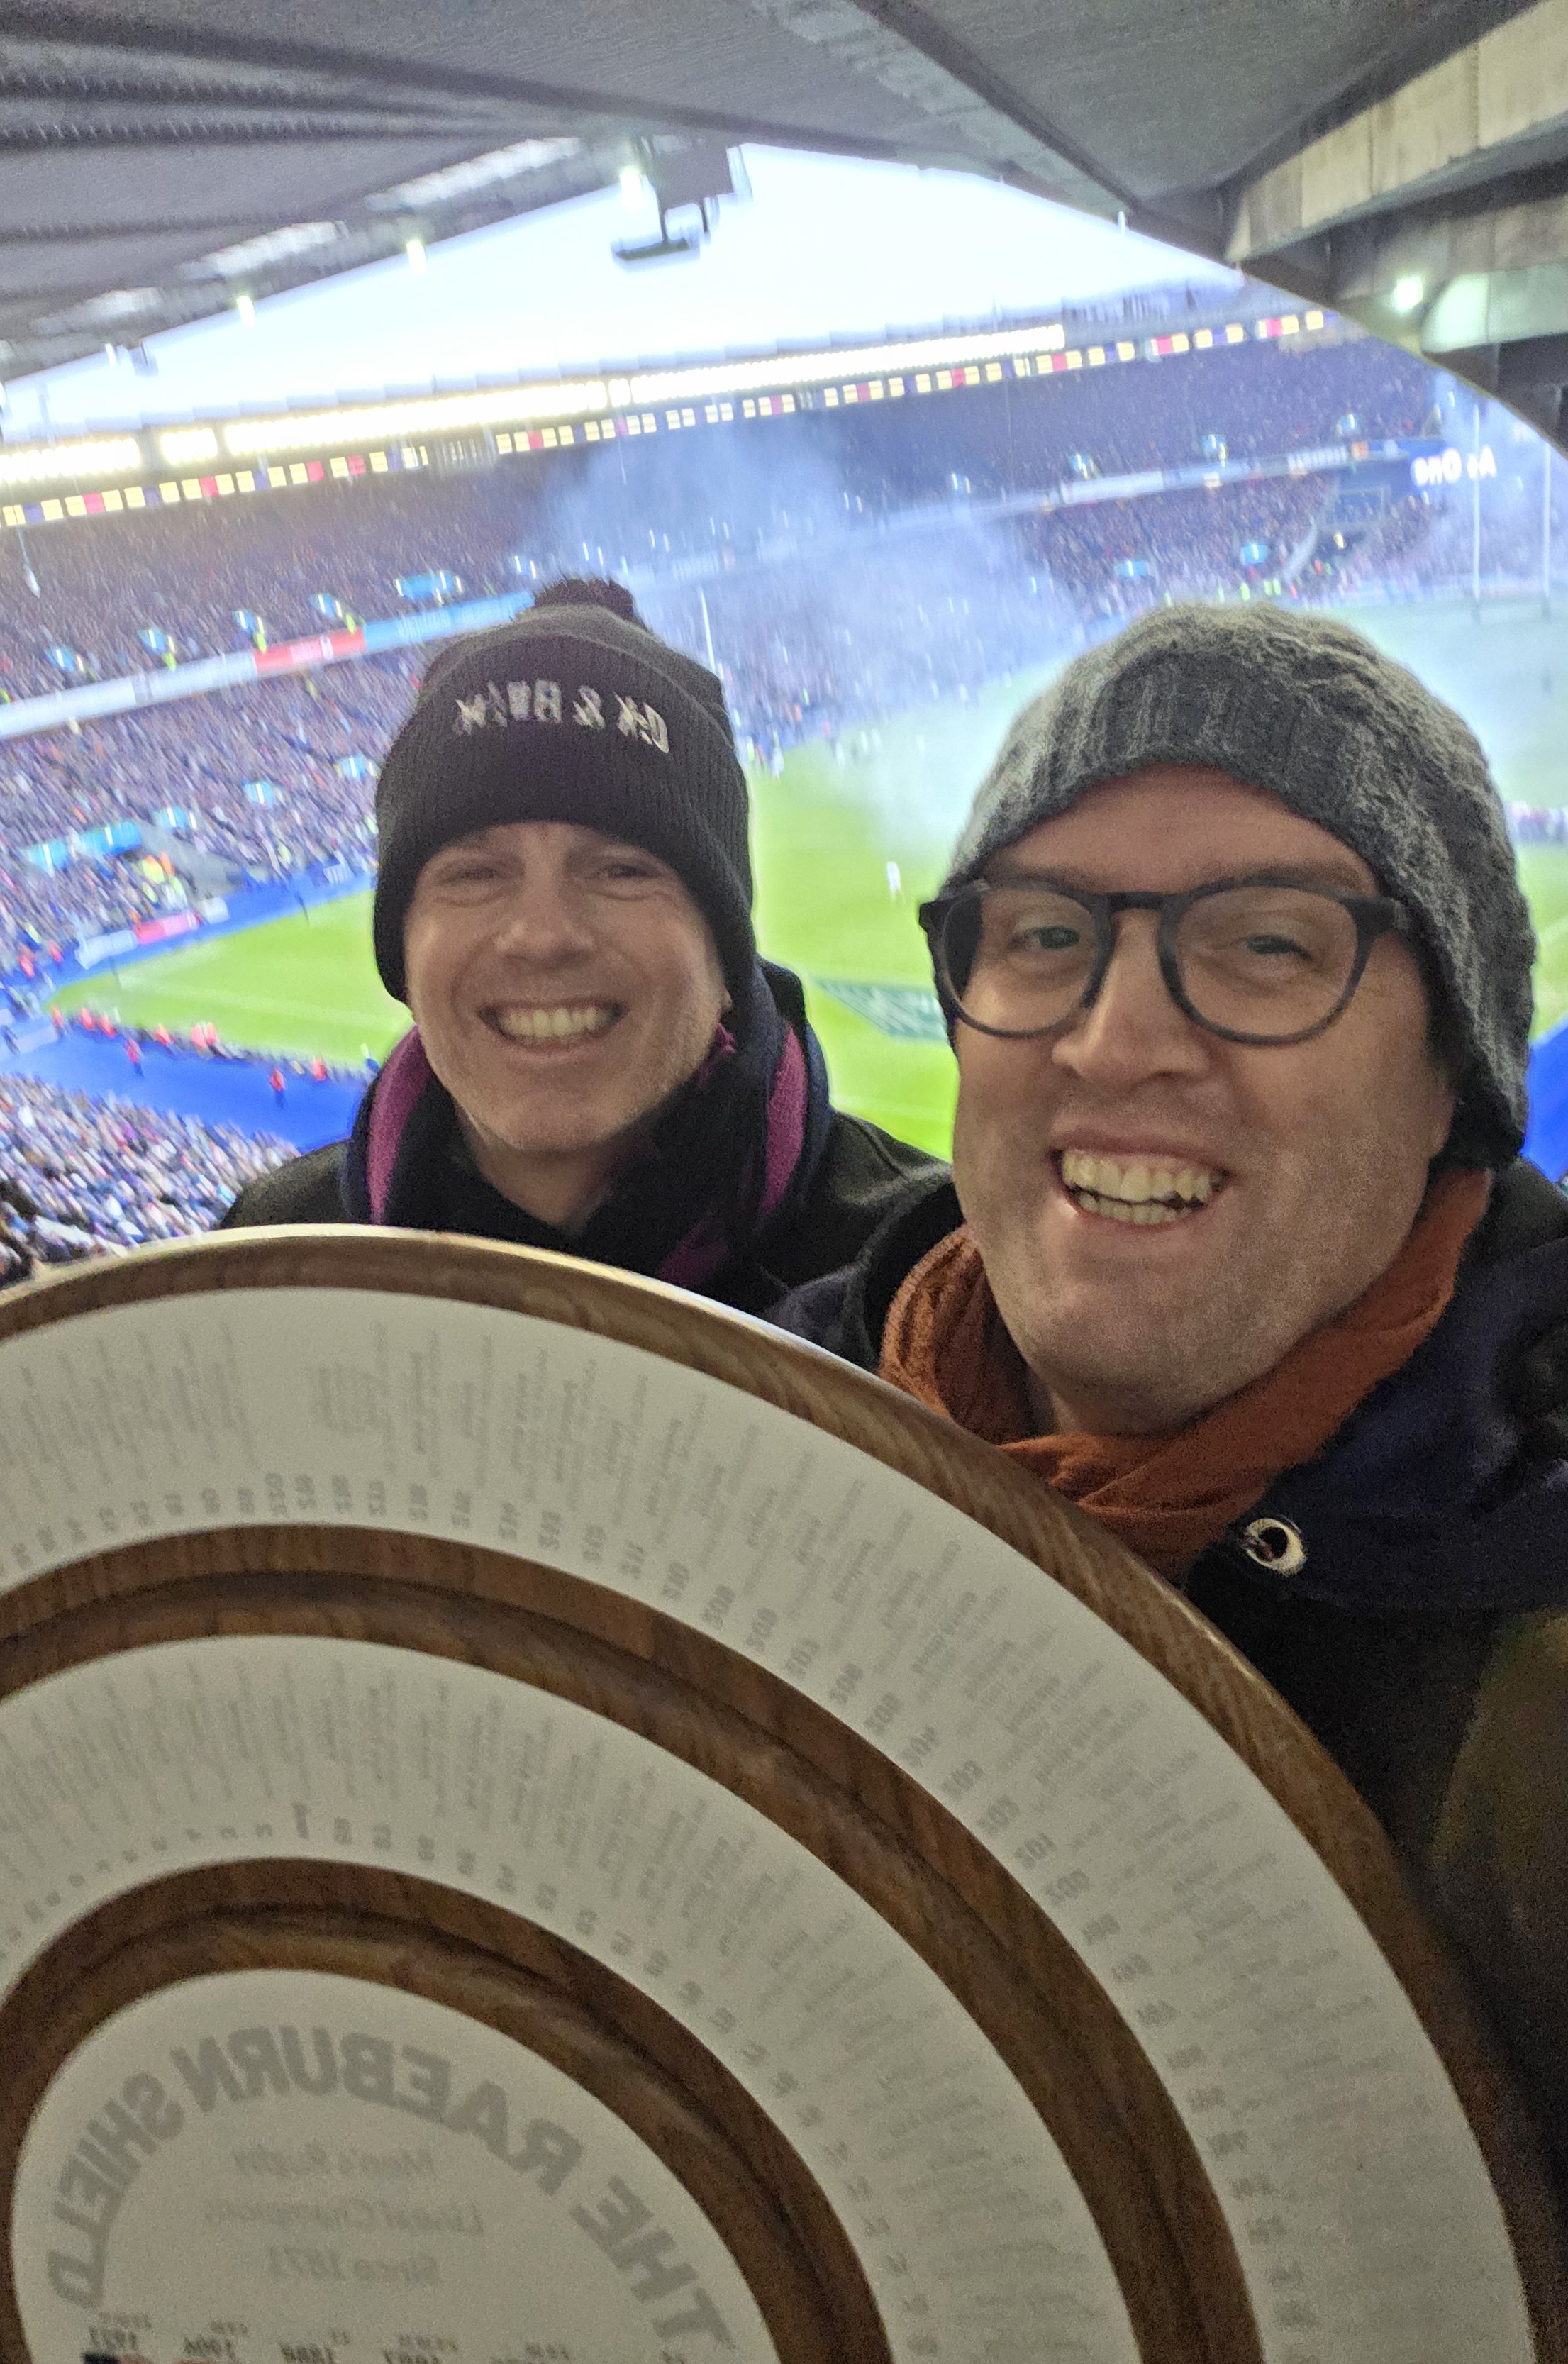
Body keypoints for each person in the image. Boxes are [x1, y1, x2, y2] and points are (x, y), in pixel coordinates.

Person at [774, 603, 1568, 2190]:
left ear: (1448, 1090)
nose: (1116, 1037)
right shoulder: (735, 1457)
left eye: (1265, 943)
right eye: (1043, 937)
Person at [223, 580, 943, 1311]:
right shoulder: (268, 1261)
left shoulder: (931, 1280)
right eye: (474, 874)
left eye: (621, 870)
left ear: (723, 951)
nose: (542, 936)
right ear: (403, 951)